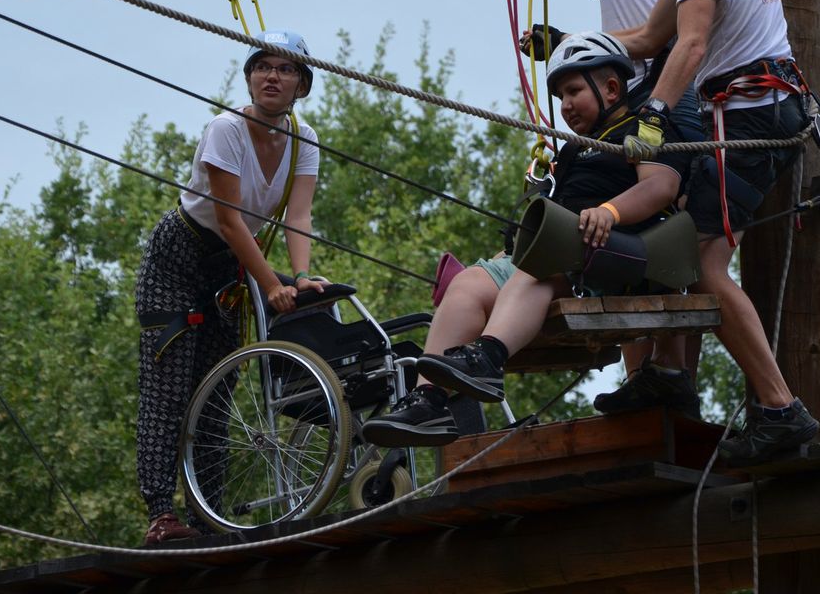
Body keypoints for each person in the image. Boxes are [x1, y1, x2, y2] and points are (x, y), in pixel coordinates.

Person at [360, 33, 692, 447]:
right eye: (560, 96)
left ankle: (489, 356)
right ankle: (427, 402)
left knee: (536, 270)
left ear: (610, 88)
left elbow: (660, 188)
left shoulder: (645, 130)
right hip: (557, 253)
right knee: (470, 284)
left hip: (613, 256)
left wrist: (610, 212)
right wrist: (510, 252)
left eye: (573, 91)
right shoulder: (573, 150)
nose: (566, 105)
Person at [609, 0, 820, 467]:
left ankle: (780, 409)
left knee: (701, 264)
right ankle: (670, 373)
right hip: (757, 110)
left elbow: (691, 46)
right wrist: (575, 43)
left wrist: (652, 114)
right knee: (681, 240)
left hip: (748, 114)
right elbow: (649, 36)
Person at [134, 31, 322, 545]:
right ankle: (159, 513)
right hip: (180, 257)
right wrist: (271, 285)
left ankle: (207, 516)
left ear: (301, 85)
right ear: (249, 77)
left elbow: (298, 217)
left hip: (229, 267)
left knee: (216, 390)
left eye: (285, 70)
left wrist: (301, 277)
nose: (272, 77)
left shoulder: (304, 142)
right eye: (262, 66)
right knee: (170, 385)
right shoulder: (226, 129)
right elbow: (232, 220)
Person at [543, 0, 706, 394]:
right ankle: (649, 375)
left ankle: (666, 371)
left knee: (652, 220)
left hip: (657, 89)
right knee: (639, 230)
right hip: (632, 92)